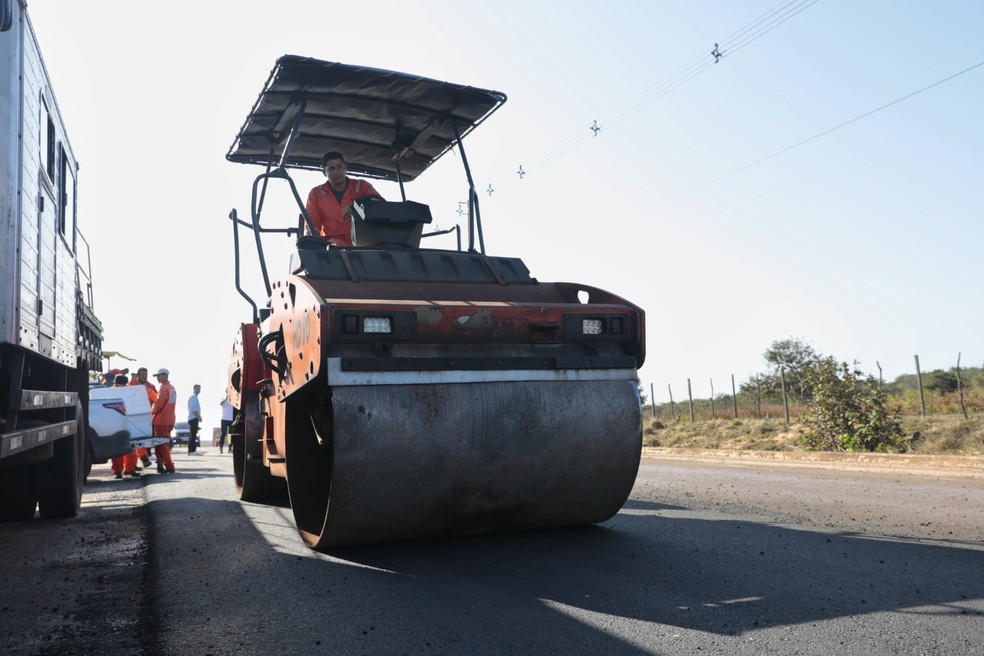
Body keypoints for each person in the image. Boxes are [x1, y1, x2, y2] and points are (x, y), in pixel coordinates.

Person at [304, 150, 382, 245]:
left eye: (339, 167)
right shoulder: (316, 194)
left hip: (365, 241)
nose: (336, 172)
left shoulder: (362, 186)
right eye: (331, 169)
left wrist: (355, 206)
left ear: (345, 168)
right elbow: (312, 226)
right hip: (333, 246)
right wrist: (310, 245)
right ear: (324, 172)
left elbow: (379, 205)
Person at [109, 374, 140, 479]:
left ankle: (119, 471)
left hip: (116, 421)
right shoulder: (130, 390)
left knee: (118, 447)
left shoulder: (110, 391)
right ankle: (128, 469)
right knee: (130, 446)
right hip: (128, 420)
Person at [130, 367, 158, 469]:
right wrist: (133, 381)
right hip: (134, 415)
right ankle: (137, 461)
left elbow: (157, 399)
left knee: (147, 436)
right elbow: (126, 392)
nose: (144, 376)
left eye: (145, 374)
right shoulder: (133, 385)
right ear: (138, 375)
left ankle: (147, 455)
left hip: (147, 414)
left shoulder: (151, 386)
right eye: (142, 374)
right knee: (135, 438)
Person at [150, 368, 177, 474]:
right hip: (170, 419)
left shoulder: (163, 388)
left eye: (159, 376)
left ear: (165, 375)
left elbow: (158, 405)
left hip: (161, 420)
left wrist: (150, 412)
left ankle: (169, 466)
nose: (157, 378)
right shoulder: (172, 388)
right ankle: (160, 465)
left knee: (162, 444)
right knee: (162, 444)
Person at [187, 384, 202, 455]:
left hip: (193, 418)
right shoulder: (193, 397)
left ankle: (191, 450)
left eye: (199, 389)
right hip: (193, 418)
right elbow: (194, 409)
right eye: (197, 388)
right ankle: (192, 450)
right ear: (194, 389)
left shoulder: (195, 397)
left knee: (193, 434)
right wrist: (199, 417)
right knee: (193, 435)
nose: (198, 390)